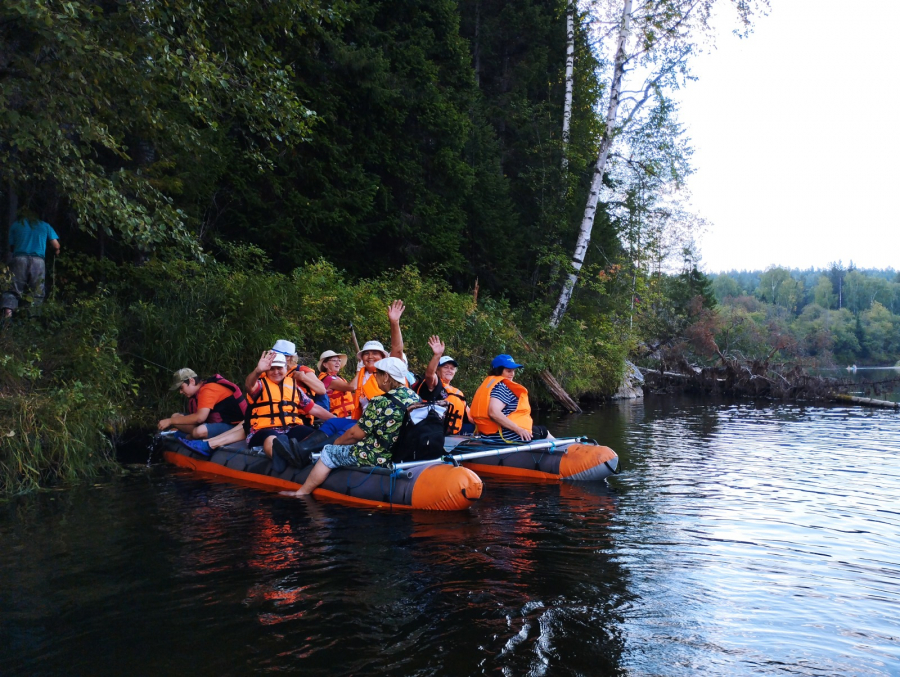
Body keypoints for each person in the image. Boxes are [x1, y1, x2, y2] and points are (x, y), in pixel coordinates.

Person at [284, 357, 420, 497]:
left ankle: (301, 493)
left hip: (381, 455)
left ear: (386, 376)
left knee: (329, 452)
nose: (375, 377)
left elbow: (355, 434)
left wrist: (336, 444)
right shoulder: (415, 397)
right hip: (404, 451)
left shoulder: (380, 401)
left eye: (377, 373)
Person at [243, 350, 334, 459]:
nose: (276, 372)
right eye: (272, 368)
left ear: (286, 369)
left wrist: (336, 420)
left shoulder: (293, 387)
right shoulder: (260, 385)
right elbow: (249, 386)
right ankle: (285, 457)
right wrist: (258, 371)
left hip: (290, 429)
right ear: (266, 370)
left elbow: (313, 408)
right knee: (272, 438)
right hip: (264, 430)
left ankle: (297, 455)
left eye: (279, 368)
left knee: (314, 435)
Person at [469, 354, 553, 444]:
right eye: (508, 371)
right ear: (498, 371)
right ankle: (563, 454)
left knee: (536, 429)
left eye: (513, 371)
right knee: (543, 431)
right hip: (506, 437)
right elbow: (493, 412)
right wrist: (518, 429)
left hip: (489, 435)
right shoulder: (501, 387)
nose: (512, 374)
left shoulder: (489, 385)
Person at [349, 300, 407, 419]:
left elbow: (397, 349)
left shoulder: (388, 372)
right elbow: (351, 388)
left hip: (383, 421)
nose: (370, 357)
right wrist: (359, 370)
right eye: (366, 354)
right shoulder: (361, 373)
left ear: (383, 358)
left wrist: (394, 323)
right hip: (363, 421)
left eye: (375, 353)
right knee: (332, 424)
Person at [158, 368, 247, 439]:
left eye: (181, 388)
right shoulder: (198, 392)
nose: (181, 392)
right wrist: (172, 420)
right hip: (215, 423)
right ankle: (193, 435)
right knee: (175, 416)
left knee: (199, 431)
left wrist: (170, 421)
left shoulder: (208, 390)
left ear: (192, 381)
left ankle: (193, 435)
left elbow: (200, 418)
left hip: (234, 426)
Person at [2, 210, 60, 318]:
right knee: (36, 293)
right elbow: (56, 245)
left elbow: (12, 247)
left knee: (12, 290)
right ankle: (32, 322)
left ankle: (7, 318)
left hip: (19, 259)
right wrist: (56, 252)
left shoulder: (16, 225)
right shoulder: (45, 226)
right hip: (38, 261)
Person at [416, 335, 472, 435]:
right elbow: (429, 375)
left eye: (452, 368)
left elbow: (471, 416)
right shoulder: (435, 384)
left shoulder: (457, 392)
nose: (449, 370)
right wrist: (437, 356)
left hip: (454, 434)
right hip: (433, 433)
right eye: (446, 367)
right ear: (437, 370)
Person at [272, 339, 330, 416]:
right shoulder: (272, 372)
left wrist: (303, 378)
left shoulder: (302, 370)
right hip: (281, 414)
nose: (273, 357)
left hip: (301, 416)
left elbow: (322, 389)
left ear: (288, 357)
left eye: (276, 355)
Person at [316, 350, 355, 418]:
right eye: (334, 360)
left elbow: (348, 395)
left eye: (339, 360)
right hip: (339, 416)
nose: (338, 363)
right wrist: (360, 370)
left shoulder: (339, 378)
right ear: (325, 365)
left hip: (348, 414)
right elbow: (352, 387)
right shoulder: (328, 379)